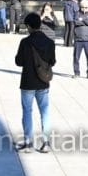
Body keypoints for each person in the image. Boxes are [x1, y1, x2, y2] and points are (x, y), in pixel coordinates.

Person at [14, 12, 55, 153]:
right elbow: (52, 61)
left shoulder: (25, 42)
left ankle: (28, 142)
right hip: (43, 82)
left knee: (27, 111)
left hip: (28, 82)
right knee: (45, 112)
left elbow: (18, 62)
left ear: (29, 26)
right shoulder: (50, 42)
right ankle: (46, 143)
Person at [72, 0, 88, 79]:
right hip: (78, 39)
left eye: (86, 7)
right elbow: (75, 22)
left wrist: (83, 20)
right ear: (80, 6)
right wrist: (86, 21)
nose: (84, 9)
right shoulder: (77, 13)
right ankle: (76, 72)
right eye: (82, 7)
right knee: (76, 57)